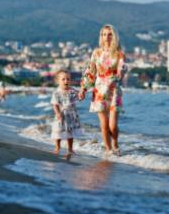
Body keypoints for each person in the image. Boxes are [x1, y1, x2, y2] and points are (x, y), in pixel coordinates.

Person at [79, 24, 127, 157]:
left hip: (114, 90)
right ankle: (108, 150)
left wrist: (121, 72)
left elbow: (122, 67)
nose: (107, 37)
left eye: (110, 34)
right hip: (99, 90)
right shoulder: (97, 53)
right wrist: (83, 88)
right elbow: (90, 71)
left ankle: (115, 144)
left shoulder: (119, 53)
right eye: (104, 34)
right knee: (104, 124)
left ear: (115, 36)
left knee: (112, 125)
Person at [51, 70, 83, 161]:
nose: (66, 81)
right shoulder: (56, 92)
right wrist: (57, 113)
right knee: (58, 132)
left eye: (68, 79)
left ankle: (70, 149)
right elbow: (55, 104)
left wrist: (82, 93)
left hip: (71, 115)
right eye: (63, 79)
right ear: (58, 81)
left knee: (70, 132)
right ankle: (57, 147)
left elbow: (80, 98)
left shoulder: (73, 91)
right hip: (61, 114)